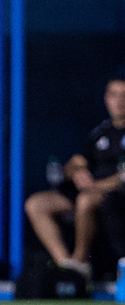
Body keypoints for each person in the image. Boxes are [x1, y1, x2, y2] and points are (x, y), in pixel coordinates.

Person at [25, 76, 125, 279]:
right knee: (36, 204)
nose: (119, 101)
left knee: (85, 200)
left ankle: (80, 264)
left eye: (124, 95)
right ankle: (66, 266)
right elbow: (77, 162)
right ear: (106, 98)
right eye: (114, 95)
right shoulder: (100, 132)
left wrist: (97, 186)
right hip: (90, 192)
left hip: (115, 197)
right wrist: (76, 171)